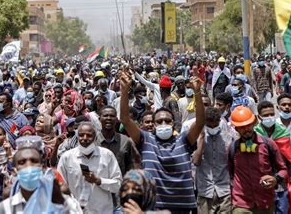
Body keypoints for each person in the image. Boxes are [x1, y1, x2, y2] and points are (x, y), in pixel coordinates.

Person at [120, 71, 205, 213]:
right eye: (159, 121)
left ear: (173, 123)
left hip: (182, 207)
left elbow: (200, 121)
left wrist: (197, 93)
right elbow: (125, 119)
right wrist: (124, 91)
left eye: (167, 121)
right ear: (153, 124)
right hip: (154, 207)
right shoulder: (146, 140)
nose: (164, 123)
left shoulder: (183, 140)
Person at [228, 106, 288, 214]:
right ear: (236, 129)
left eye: (248, 125)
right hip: (241, 204)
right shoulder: (232, 148)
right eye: (242, 127)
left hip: (265, 203)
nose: (246, 129)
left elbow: (283, 169)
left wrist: (275, 180)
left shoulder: (268, 144)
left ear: (254, 122)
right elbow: (229, 174)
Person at [57, 122, 122, 212]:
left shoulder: (107, 155)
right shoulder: (67, 157)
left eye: (89, 135)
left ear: (95, 137)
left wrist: (98, 181)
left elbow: (118, 185)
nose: (85, 138)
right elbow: (60, 187)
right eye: (81, 135)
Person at [0, 144, 66, 213]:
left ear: (42, 167)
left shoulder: (64, 203)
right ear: (14, 171)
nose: (29, 166)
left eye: (34, 161)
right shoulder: (3, 209)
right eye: (22, 162)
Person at [254, 101, 291, 214]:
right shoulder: (255, 134)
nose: (269, 117)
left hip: (280, 180)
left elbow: (289, 157)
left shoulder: (283, 133)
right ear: (259, 117)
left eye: (271, 114)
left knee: (282, 209)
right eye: (265, 115)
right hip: (261, 181)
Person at [192, 107, 234, 214]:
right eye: (209, 125)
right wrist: (201, 137)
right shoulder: (196, 138)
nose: (212, 128)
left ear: (220, 121)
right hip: (205, 190)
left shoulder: (229, 137)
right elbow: (196, 161)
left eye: (215, 125)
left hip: (224, 189)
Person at [96, 106, 133, 176]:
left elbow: (130, 164)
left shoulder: (125, 140)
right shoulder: (92, 140)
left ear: (116, 119)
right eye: (105, 116)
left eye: (112, 116)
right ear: (99, 119)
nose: (109, 118)